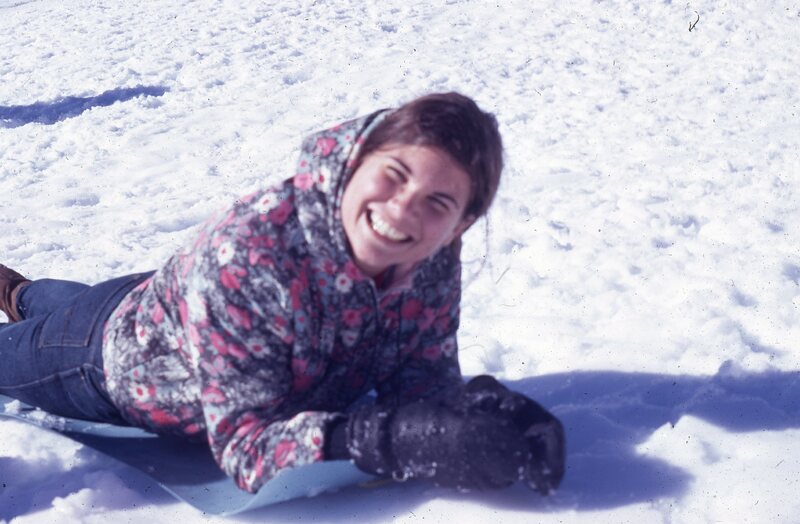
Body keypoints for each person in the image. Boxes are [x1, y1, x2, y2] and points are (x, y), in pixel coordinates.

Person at [0, 92, 565, 495]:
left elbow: (418, 376)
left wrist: (484, 412)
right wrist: (390, 440)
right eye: (394, 173)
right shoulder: (252, 248)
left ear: (460, 223)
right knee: (33, 346)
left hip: (176, 305)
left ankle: (18, 292)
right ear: (357, 161)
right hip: (106, 361)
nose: (402, 209)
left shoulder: (430, 254)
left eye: (438, 202)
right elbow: (245, 446)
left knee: (45, 305)